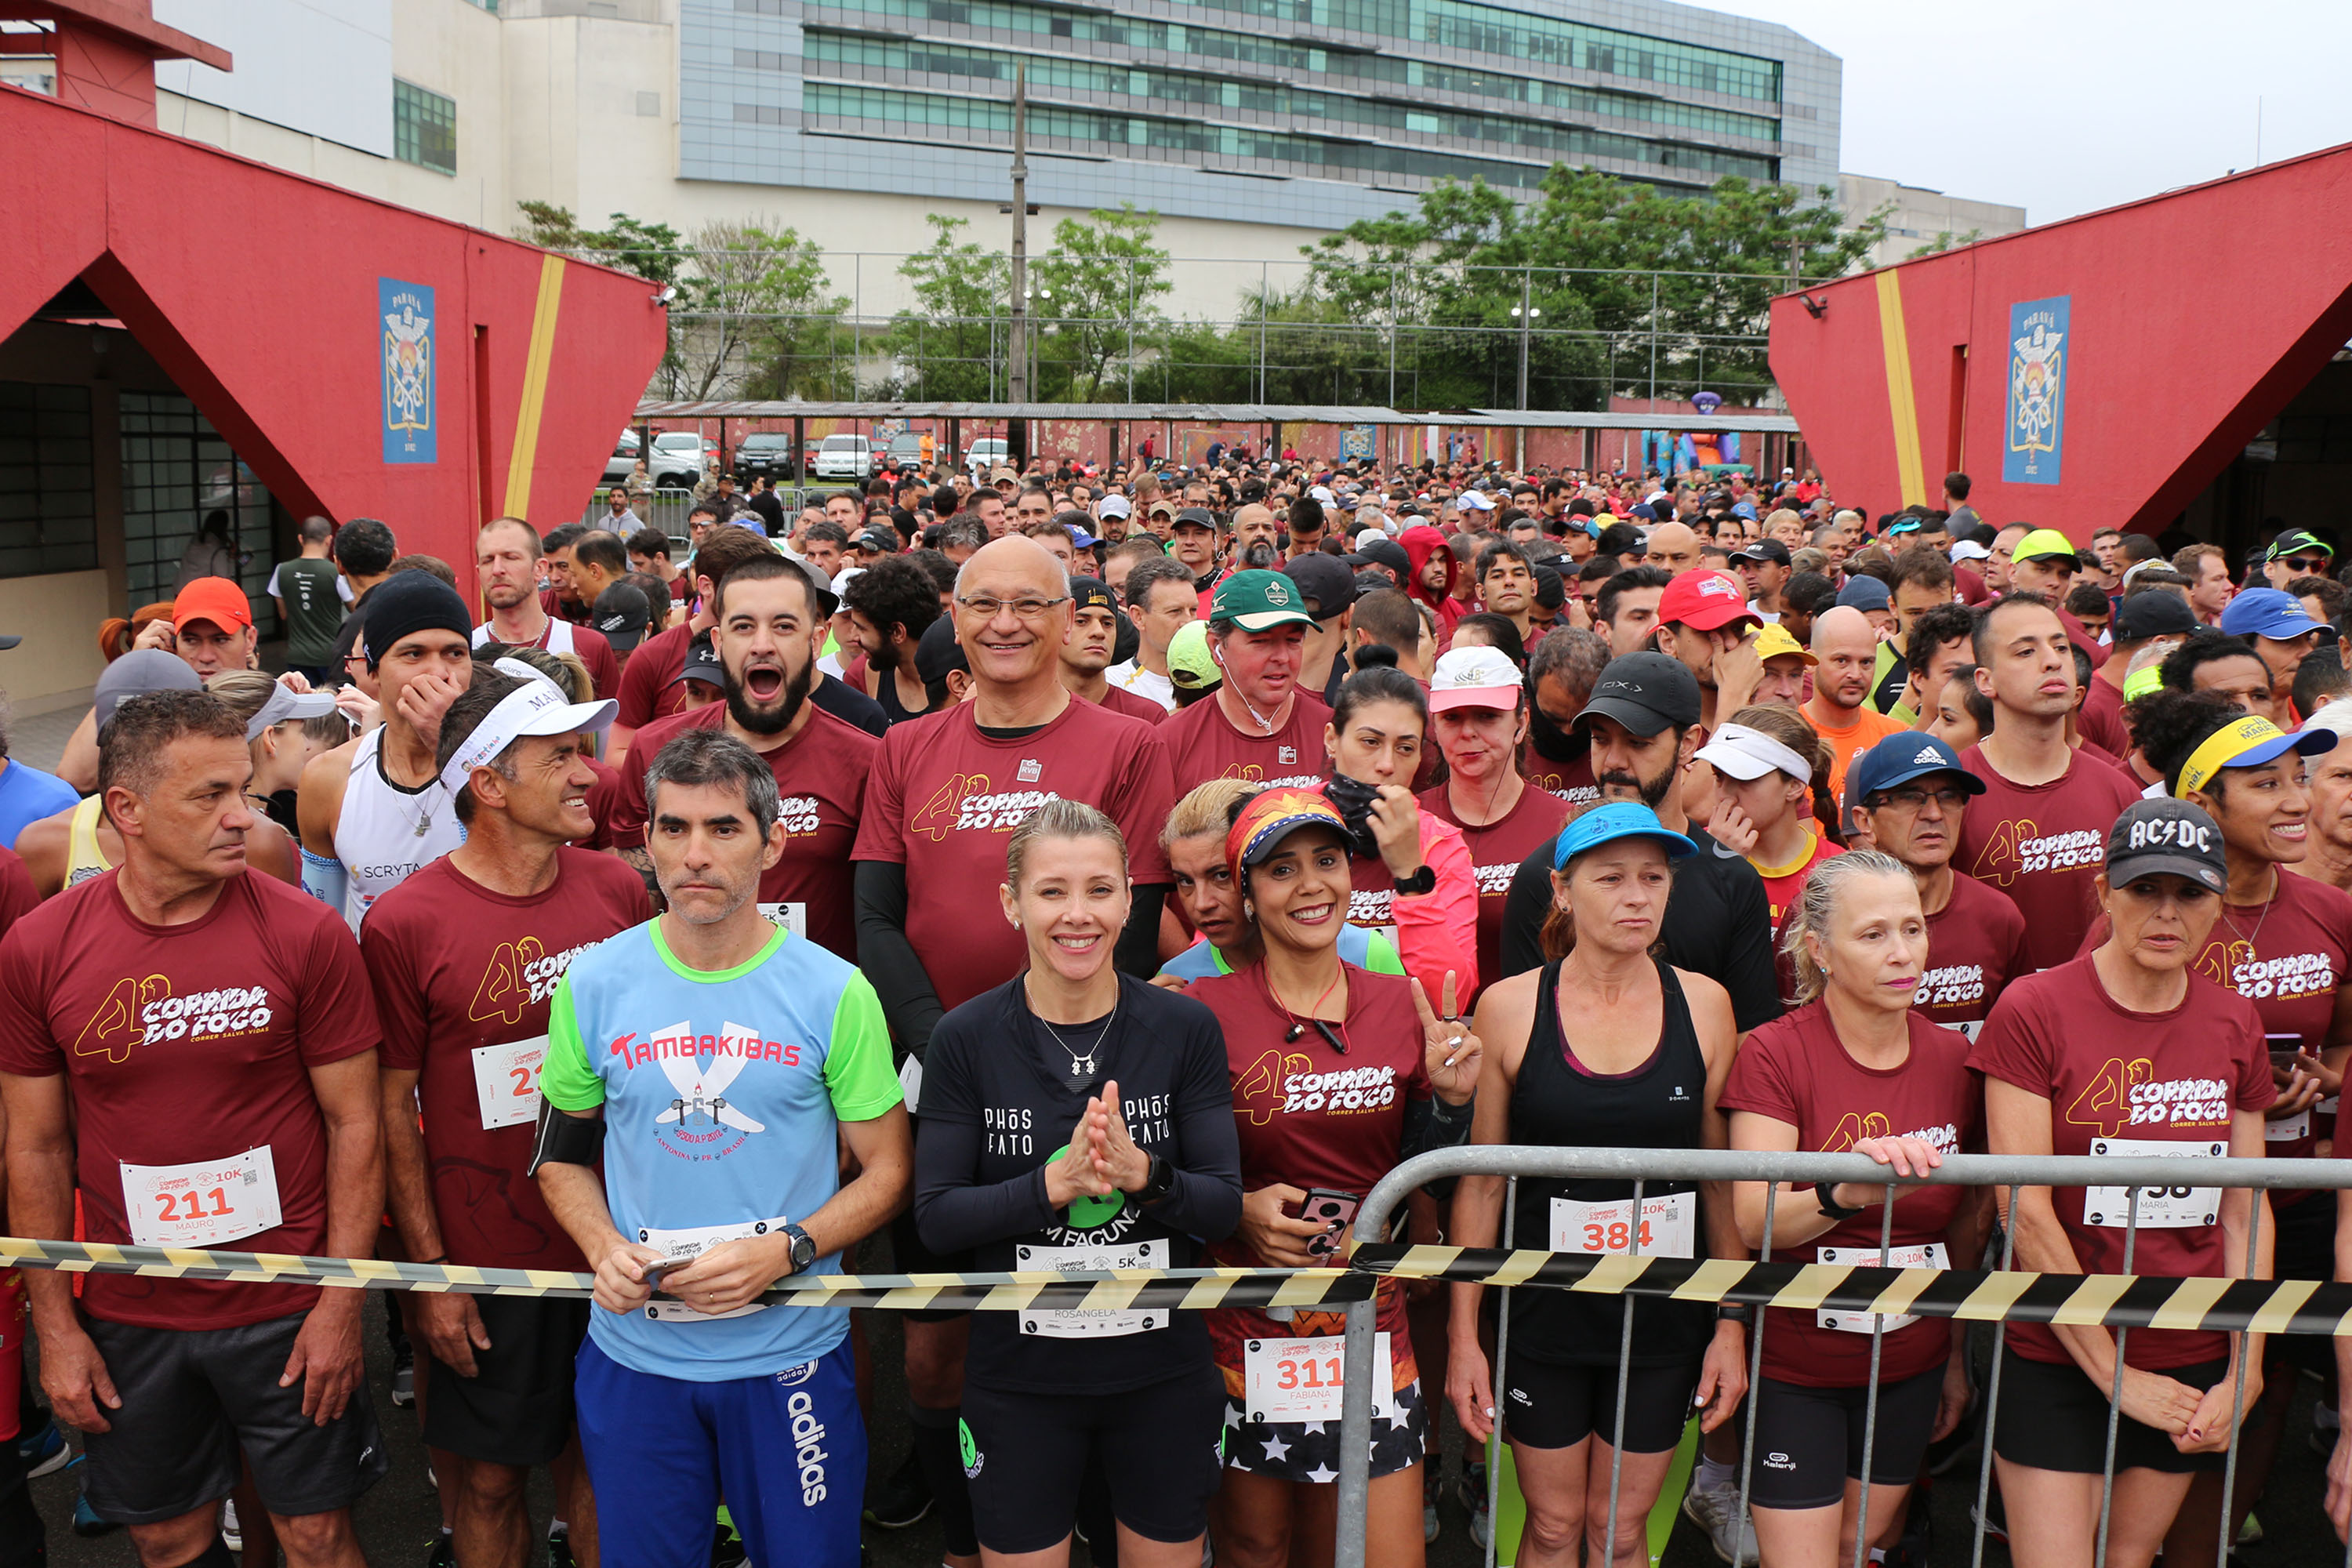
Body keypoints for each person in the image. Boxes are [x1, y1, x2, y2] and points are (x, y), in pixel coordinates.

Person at [0, 690, 388, 1566]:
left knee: (318, 1535)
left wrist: (340, 1302)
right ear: (126, 810)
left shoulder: (305, 932)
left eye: (243, 788)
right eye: (209, 795)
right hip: (131, 1308)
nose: (241, 816)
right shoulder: (38, 947)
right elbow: (33, 1144)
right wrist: (54, 1326)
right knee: (169, 1537)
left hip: (287, 1298)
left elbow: (357, 1121)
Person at [852, 535, 1177, 1561]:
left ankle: (1077, 1522)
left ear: (1068, 612)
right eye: (982, 602)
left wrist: (1038, 1053)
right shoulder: (905, 749)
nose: (1002, 623)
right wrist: (951, 1046)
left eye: (1029, 604)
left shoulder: (1129, 744)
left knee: (1085, 1334)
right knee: (941, 1359)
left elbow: (1138, 916)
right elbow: (876, 919)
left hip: (1084, 1087)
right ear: (956, 610)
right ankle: (967, 1536)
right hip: (943, 1090)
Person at [532, 728, 911, 1568]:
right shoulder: (593, 982)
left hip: (790, 1358)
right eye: (674, 828)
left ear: (773, 842)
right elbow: (558, 1158)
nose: (695, 853)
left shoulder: (834, 989)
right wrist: (602, 1247)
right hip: (638, 1358)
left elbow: (888, 1171)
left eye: (724, 828)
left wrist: (789, 1248)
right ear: (646, 840)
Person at [364, 666, 648, 1568]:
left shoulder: (617, 890)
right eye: (559, 754)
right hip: (487, 1262)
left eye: (584, 750)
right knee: (486, 1483)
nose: (588, 772)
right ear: (487, 782)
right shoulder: (405, 921)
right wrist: (431, 1276)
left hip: (618, 1245)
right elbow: (389, 1109)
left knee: (608, 1469)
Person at [913, 800, 1243, 1568]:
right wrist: (1050, 1184)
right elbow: (935, 1217)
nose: (1077, 914)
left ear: (1131, 898)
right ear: (1012, 901)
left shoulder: (1183, 1026)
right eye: (1052, 890)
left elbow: (1224, 1204)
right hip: (1019, 1383)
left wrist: (1145, 1176)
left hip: (1162, 1374)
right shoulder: (965, 1037)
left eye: (1099, 889)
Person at [1969, 797, 2274, 1568]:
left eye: (2191, 892)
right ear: (2105, 890)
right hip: (2057, 1346)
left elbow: (2246, 1205)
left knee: (2128, 1556)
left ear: (2218, 903)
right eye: (2145, 889)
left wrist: (2249, 1366)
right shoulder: (2034, 1006)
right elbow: (2024, 1207)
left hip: (2190, 1343)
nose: (2167, 912)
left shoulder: (2236, 1020)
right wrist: (2115, 1374)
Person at [1187, 787, 1481, 1568]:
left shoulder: (1400, 1002)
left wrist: (1454, 1105)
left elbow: (1430, 1176)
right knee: (1258, 1545)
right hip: (1243, 1326)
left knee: (1371, 1550)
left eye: (1327, 860)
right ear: (1245, 891)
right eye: (1282, 869)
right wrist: (1237, 1212)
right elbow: (1174, 1179)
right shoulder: (1197, 1010)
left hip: (1367, 1324)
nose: (1313, 884)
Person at [1447, 804, 1746, 1568]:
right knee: (1550, 1525)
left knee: (1617, 1531)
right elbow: (1482, 1185)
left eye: (1653, 876)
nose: (1637, 896)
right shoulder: (1511, 1006)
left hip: (1662, 1318)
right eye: (1611, 878)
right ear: (1562, 889)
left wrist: (1732, 1324)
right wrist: (1462, 1338)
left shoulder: (1707, 1005)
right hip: (1542, 1314)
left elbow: (1721, 1187)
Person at [1722, 851, 1986, 1568]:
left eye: (1914, 929)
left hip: (1911, 1363)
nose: (1903, 954)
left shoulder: (1954, 1059)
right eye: (1873, 935)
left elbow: (1966, 1220)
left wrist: (1957, 1356)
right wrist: (1847, 1194)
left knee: (1858, 1549)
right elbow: (1755, 1219)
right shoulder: (1775, 1054)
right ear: (1820, 949)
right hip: (1797, 1369)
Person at [610, 553, 877, 960]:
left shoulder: (867, 760)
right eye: (743, 626)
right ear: (719, 643)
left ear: (817, 640)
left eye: (784, 627)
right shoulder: (654, 749)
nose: (762, 645)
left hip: (811, 1006)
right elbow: (638, 895)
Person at [1499, 654, 1783, 1033]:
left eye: (1638, 742)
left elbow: (1749, 1036)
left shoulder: (1733, 879)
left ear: (1688, 745)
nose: (1614, 761)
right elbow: (1521, 1029)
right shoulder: (1545, 873)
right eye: (1600, 739)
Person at [1954, 594, 2144, 971]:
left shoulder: (2119, 790)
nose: (2053, 660)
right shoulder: (1954, 792)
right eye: (2025, 652)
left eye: (2060, 646)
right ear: (1985, 681)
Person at [296, 572, 475, 929]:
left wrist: (452, 744)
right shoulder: (328, 778)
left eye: (455, 653)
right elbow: (323, 924)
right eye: (414, 654)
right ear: (374, 672)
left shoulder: (508, 764)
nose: (439, 672)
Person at [1321, 649, 1479, 1003]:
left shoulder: (1441, 844)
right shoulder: (1286, 819)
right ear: (1332, 738)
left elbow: (1451, 998)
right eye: (1370, 742)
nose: (1387, 764)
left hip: (1400, 1038)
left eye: (1405, 748)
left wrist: (1411, 878)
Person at [1417, 645, 1570, 995]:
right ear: (1434, 728)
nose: (1468, 732)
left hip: (1534, 1027)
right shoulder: (1409, 821)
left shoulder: (1563, 825)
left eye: (1487, 716)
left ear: (1521, 723)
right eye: (1452, 717)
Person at [1157, 779, 1406, 982]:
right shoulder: (1178, 981)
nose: (1202, 903)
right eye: (1185, 882)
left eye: (1221, 875)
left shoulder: (1367, 953)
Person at [611, 525, 775, 761]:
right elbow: (617, 754)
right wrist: (687, 770)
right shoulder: (654, 655)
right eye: (742, 587)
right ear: (706, 585)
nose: (755, 598)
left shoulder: (772, 652)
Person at [1161, 571, 1334, 794]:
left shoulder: (1333, 730)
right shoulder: (1171, 741)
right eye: (1262, 641)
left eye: (1293, 641)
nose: (1282, 657)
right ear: (1216, 646)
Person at [1693, 706, 1841, 941]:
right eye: (1719, 776)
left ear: (1794, 786)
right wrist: (1717, 867)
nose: (1726, 794)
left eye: (1745, 778)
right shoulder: (1689, 852)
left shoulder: (1839, 871)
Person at [474, 519, 623, 704]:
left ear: (540, 569)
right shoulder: (465, 650)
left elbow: (611, 729)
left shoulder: (590, 645)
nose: (497, 570)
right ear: (479, 572)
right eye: (488, 560)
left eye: (510, 557)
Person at [1802, 607, 1907, 804]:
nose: (1856, 674)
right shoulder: (1785, 738)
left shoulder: (1896, 738)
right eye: (1842, 661)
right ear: (1811, 662)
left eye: (1866, 662)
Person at [842, 554, 942, 726]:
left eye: (862, 628)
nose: (853, 636)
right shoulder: (866, 673)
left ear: (898, 632)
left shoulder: (960, 681)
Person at [1063, 575, 1167, 724]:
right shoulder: (1026, 712)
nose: (1099, 632)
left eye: (1107, 623)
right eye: (1081, 621)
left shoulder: (1146, 716)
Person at [1108, 557, 1197, 713]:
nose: (1188, 621)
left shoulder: (1219, 679)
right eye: (1175, 612)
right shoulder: (1113, 684)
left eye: (1193, 610)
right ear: (1138, 617)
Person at [270, 516, 352, 684]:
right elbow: (355, 608)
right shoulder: (335, 572)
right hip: (330, 655)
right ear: (329, 540)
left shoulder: (281, 570)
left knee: (303, 704)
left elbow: (283, 614)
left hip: (297, 655)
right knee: (331, 704)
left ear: (301, 539)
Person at [172, 510, 237, 595]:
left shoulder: (197, 538)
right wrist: (231, 559)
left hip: (180, 588)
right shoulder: (217, 549)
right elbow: (223, 578)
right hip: (195, 594)